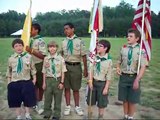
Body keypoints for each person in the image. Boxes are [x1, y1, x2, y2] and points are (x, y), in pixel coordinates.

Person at [116, 28, 148, 120]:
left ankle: (130, 117)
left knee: (132, 100)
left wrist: (137, 80)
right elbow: (119, 61)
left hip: (134, 77)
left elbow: (143, 67)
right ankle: (125, 116)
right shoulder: (123, 48)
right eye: (128, 36)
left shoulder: (141, 51)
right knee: (124, 99)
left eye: (131, 36)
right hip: (124, 77)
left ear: (137, 38)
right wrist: (118, 67)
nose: (128, 38)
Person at [61, 22, 88, 116]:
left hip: (76, 66)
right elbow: (61, 55)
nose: (65, 31)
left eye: (67, 28)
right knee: (66, 88)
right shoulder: (63, 42)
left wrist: (85, 69)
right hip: (66, 67)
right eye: (64, 29)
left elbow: (84, 56)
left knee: (76, 88)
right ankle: (68, 106)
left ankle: (77, 106)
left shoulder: (80, 41)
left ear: (73, 29)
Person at [6, 38, 36, 120]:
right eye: (16, 46)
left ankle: (27, 115)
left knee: (27, 100)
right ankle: (18, 116)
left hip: (26, 81)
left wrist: (34, 80)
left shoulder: (28, 57)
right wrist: (9, 83)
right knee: (16, 101)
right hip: (15, 82)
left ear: (23, 47)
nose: (18, 48)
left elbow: (33, 69)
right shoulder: (11, 59)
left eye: (20, 45)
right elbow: (9, 71)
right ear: (13, 48)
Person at [87, 39, 112, 120]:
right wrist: (90, 81)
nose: (98, 47)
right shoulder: (93, 57)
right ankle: (90, 115)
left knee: (102, 102)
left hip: (102, 84)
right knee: (91, 101)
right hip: (93, 82)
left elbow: (109, 75)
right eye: (97, 45)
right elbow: (90, 70)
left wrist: (106, 87)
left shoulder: (108, 60)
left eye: (100, 46)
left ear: (105, 48)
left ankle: (100, 116)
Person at [42, 41, 67, 120]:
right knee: (47, 98)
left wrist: (62, 82)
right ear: (48, 49)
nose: (52, 48)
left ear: (57, 48)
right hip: (48, 80)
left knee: (58, 98)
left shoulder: (60, 58)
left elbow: (63, 71)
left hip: (58, 80)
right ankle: (47, 113)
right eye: (50, 47)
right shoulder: (46, 58)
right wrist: (44, 83)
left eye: (54, 47)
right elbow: (44, 72)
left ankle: (56, 114)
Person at [26, 23, 47, 114]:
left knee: (40, 85)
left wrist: (31, 50)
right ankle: (34, 101)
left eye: (31, 29)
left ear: (36, 30)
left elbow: (43, 56)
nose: (30, 31)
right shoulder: (30, 40)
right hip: (30, 65)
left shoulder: (40, 41)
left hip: (38, 65)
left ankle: (40, 101)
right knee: (32, 84)